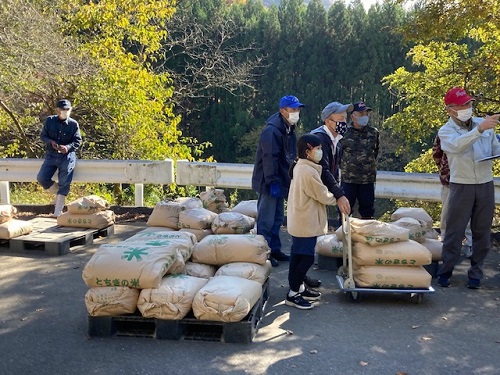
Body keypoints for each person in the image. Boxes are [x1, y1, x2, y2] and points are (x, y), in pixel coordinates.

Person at [437, 87, 500, 289]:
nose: (467, 108)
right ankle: (446, 271)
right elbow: (455, 146)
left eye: (469, 103)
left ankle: (476, 274)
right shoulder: (446, 130)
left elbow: (494, 148)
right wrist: (479, 131)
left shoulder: (484, 124)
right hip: (461, 184)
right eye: (462, 105)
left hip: (484, 183)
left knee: (482, 231)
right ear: (450, 110)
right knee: (454, 231)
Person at [285, 134, 339, 310]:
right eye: (317, 149)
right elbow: (322, 195)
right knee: (306, 258)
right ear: (307, 151)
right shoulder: (307, 171)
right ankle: (293, 294)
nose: (320, 152)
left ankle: (298, 288)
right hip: (305, 221)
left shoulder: (301, 166)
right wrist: (339, 197)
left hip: (300, 218)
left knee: (297, 256)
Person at [252, 95, 303, 268]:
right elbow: (269, 158)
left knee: (277, 218)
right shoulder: (272, 131)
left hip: (281, 180)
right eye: (293, 109)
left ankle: (274, 249)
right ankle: (263, 254)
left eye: (297, 109)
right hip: (269, 182)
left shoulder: (288, 129)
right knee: (266, 220)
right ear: (283, 111)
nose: (296, 113)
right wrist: (272, 181)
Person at [37, 99, 82, 217]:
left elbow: (78, 141)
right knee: (42, 178)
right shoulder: (50, 121)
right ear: (57, 110)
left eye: (68, 109)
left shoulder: (73, 124)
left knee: (64, 182)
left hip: (67, 156)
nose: (66, 111)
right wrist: (50, 142)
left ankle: (58, 212)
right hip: (51, 154)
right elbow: (43, 136)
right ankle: (60, 197)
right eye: (63, 109)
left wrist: (67, 147)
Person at [432, 134, 473, 258]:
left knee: (469, 213)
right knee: (447, 212)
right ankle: (445, 241)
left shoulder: (475, 130)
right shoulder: (446, 131)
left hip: (469, 179)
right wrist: (444, 169)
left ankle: (469, 243)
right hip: (449, 180)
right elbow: (436, 153)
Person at [340, 101, 379, 219]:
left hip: (367, 180)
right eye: (361, 113)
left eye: (366, 113)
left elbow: (375, 152)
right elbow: (338, 154)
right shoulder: (343, 132)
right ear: (353, 116)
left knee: (368, 213)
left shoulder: (373, 133)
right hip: (348, 180)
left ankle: (365, 236)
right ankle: (343, 236)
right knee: (344, 212)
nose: (364, 116)